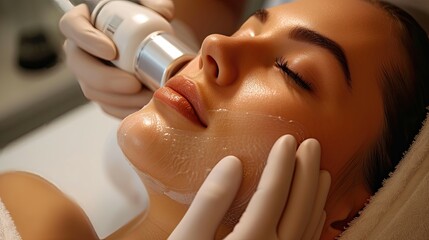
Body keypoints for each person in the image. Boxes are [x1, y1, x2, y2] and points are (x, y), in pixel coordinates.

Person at [2, 0, 429, 239]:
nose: (212, 46)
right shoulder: (28, 208)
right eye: (245, 29)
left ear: (348, 218)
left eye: (292, 70)